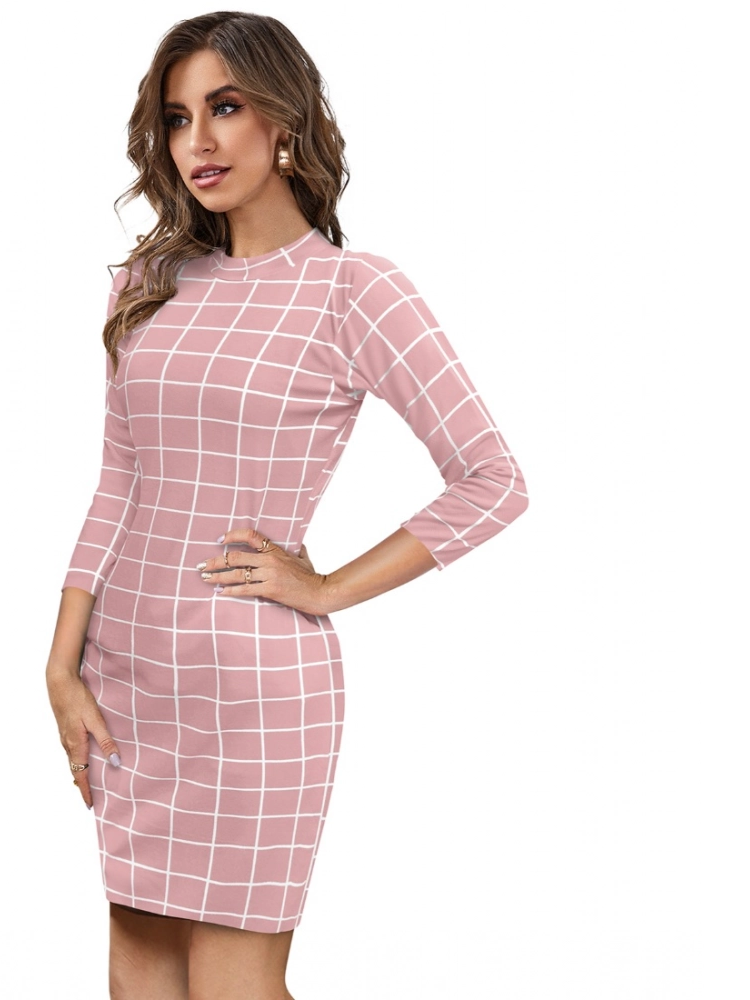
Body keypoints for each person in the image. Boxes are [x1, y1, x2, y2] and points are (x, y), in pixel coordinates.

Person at [44, 11, 528, 999]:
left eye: (225, 107)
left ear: (285, 119)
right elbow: (119, 481)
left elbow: (492, 478)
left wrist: (327, 587)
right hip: (127, 677)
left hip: (251, 687)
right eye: (177, 118)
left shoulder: (353, 291)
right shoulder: (147, 283)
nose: (199, 142)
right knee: (138, 980)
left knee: (232, 983)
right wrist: (60, 662)